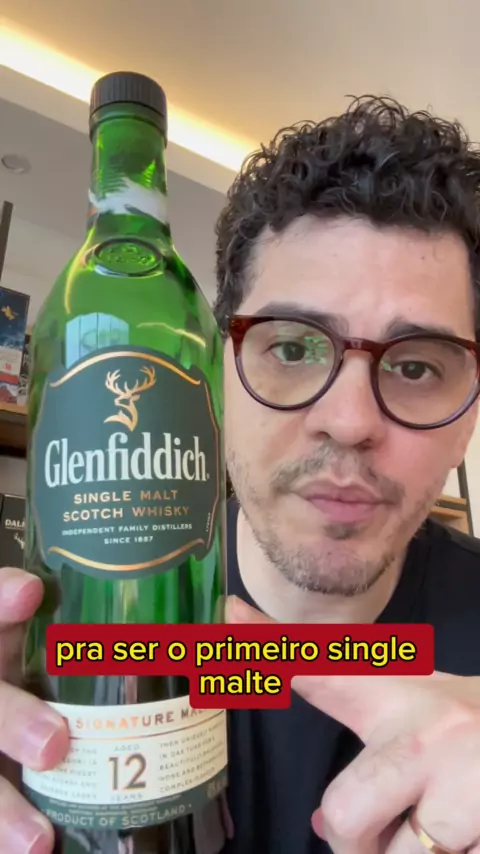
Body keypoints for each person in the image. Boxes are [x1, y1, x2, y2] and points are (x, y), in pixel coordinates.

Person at [2, 95, 480, 854]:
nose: (349, 421)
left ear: (469, 419)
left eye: (417, 366)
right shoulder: (90, 626)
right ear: (217, 368)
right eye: (291, 348)